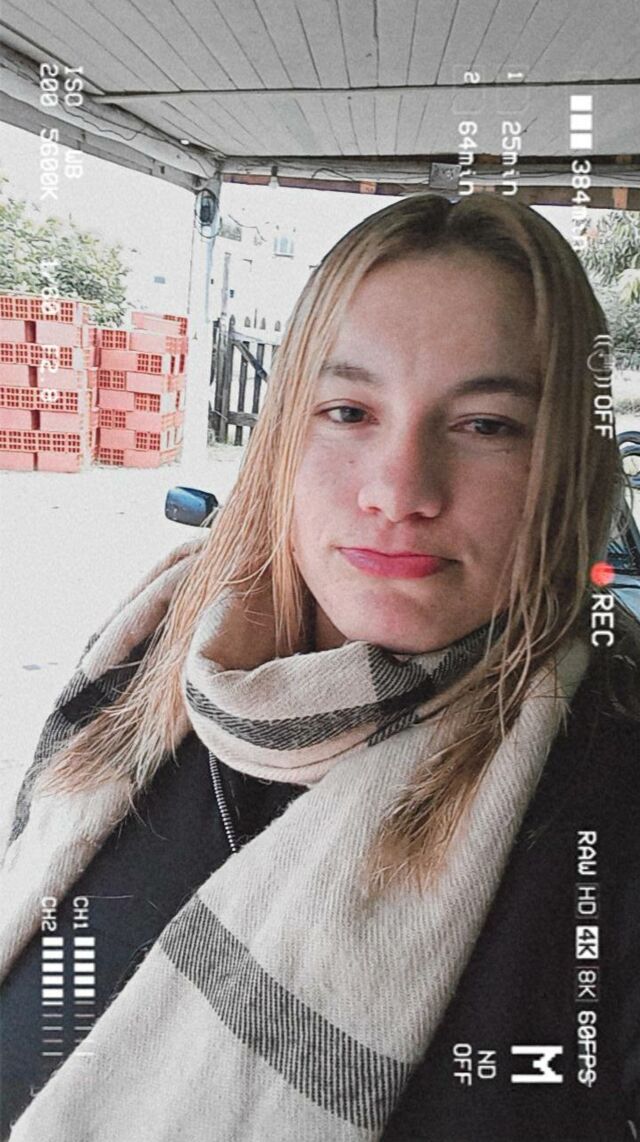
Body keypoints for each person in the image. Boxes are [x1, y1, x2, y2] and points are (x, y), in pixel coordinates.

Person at [1, 192, 639, 1142]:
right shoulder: (148, 657)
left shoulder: (610, 791)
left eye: (487, 425)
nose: (399, 491)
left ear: (569, 463)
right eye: (347, 411)